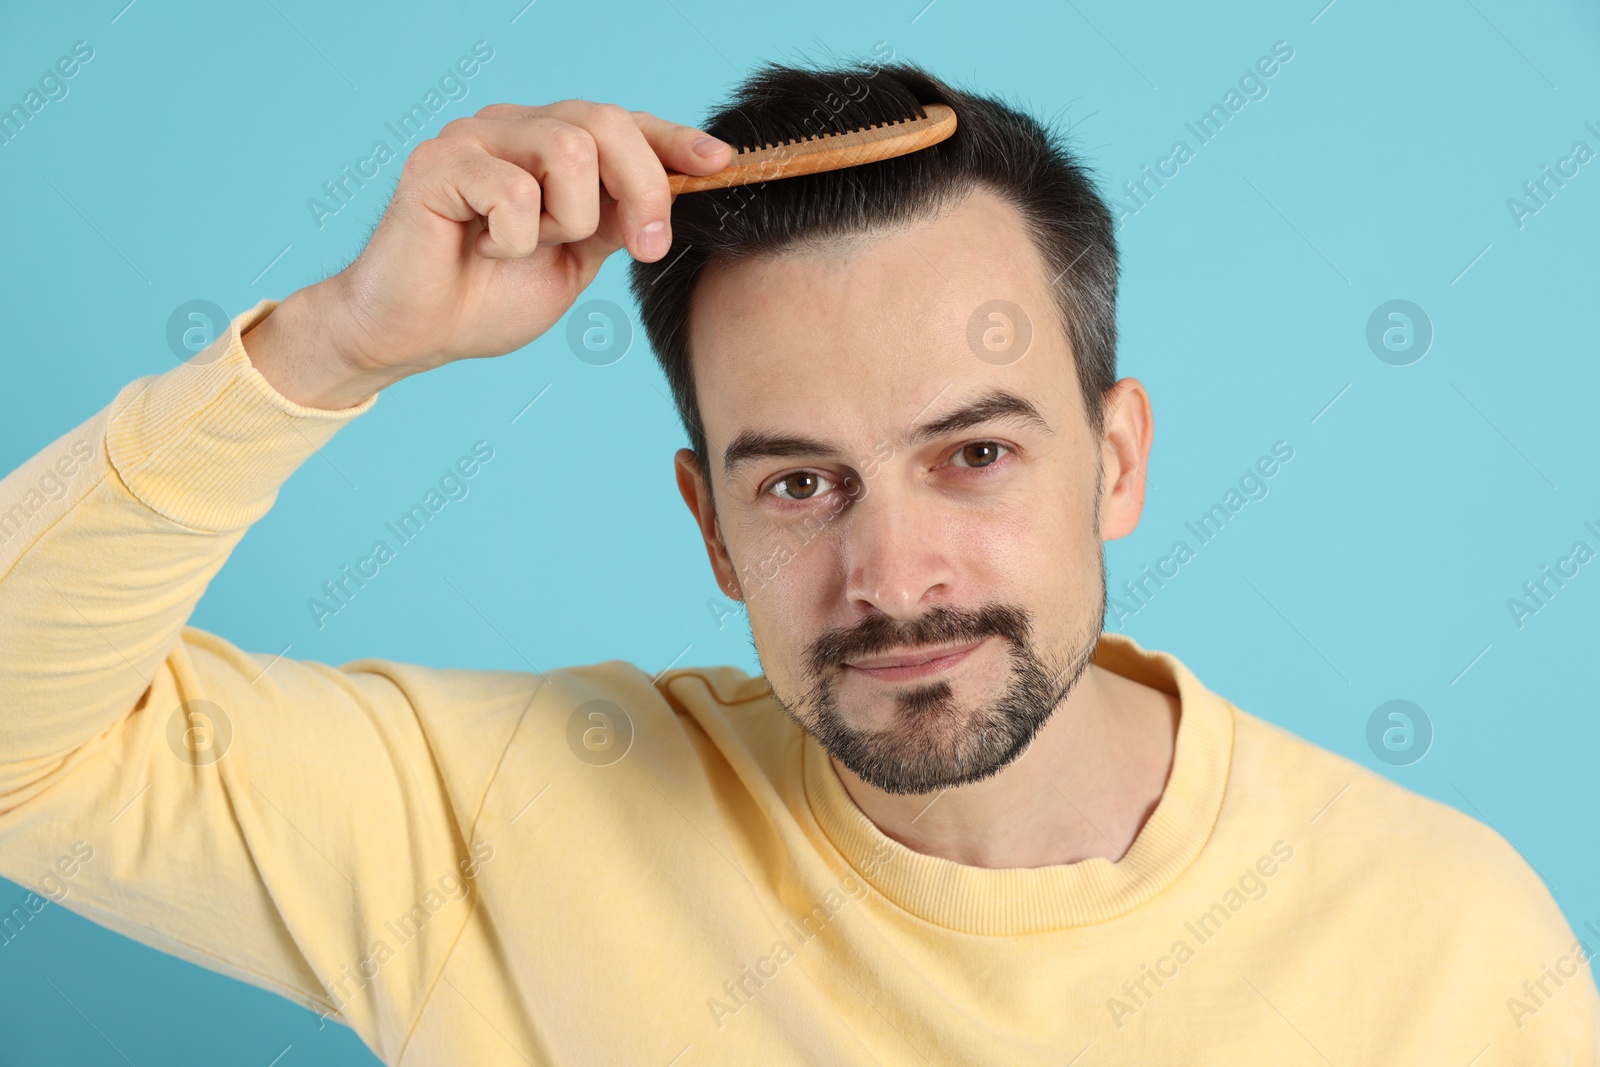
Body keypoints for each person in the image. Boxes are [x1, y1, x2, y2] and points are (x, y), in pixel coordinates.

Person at [1, 59, 1594, 1065]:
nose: (892, 575)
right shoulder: (492, 834)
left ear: (1115, 461)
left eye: (975, 454)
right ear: (710, 524)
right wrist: (337, 346)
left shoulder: (1443, 943)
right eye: (803, 482)